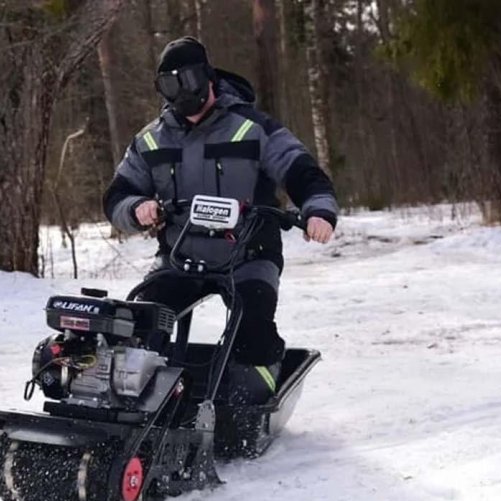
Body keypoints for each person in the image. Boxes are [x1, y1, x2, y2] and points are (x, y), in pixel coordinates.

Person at [103, 36, 338, 395]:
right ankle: (140, 401)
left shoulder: (252, 128)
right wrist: (136, 209)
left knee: (252, 332)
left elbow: (303, 171)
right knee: (138, 325)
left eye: (188, 82)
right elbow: (116, 196)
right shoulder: (151, 141)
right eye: (170, 86)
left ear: (208, 79)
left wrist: (318, 212)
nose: (182, 94)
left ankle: (249, 405)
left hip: (248, 256)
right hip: (178, 258)